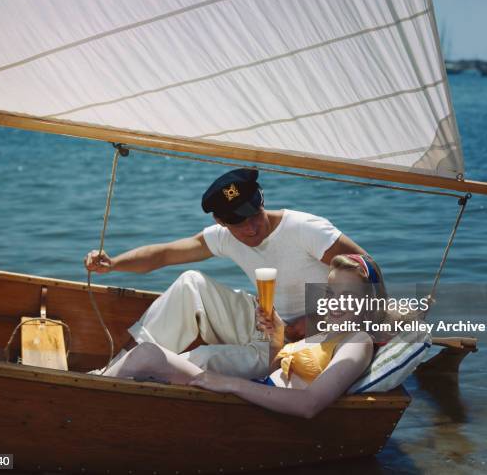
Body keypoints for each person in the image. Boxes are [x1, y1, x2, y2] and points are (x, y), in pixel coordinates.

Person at [85, 168, 366, 379]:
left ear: (262, 201)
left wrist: (317, 319)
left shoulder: (305, 229)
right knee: (190, 283)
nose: (252, 228)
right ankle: (112, 372)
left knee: (200, 358)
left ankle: (125, 380)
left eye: (255, 215)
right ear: (221, 222)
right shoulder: (225, 236)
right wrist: (113, 264)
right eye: (238, 223)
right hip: (263, 321)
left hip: (298, 339)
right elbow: (165, 254)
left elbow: (368, 272)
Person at [101, 254, 416, 418]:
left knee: (147, 356)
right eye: (331, 292)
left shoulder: (357, 342)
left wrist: (228, 383)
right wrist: (276, 334)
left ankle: (92, 397)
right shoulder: (331, 332)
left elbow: (309, 404)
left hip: (254, 406)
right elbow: (276, 369)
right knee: (148, 358)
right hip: (255, 391)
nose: (334, 302)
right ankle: (98, 394)